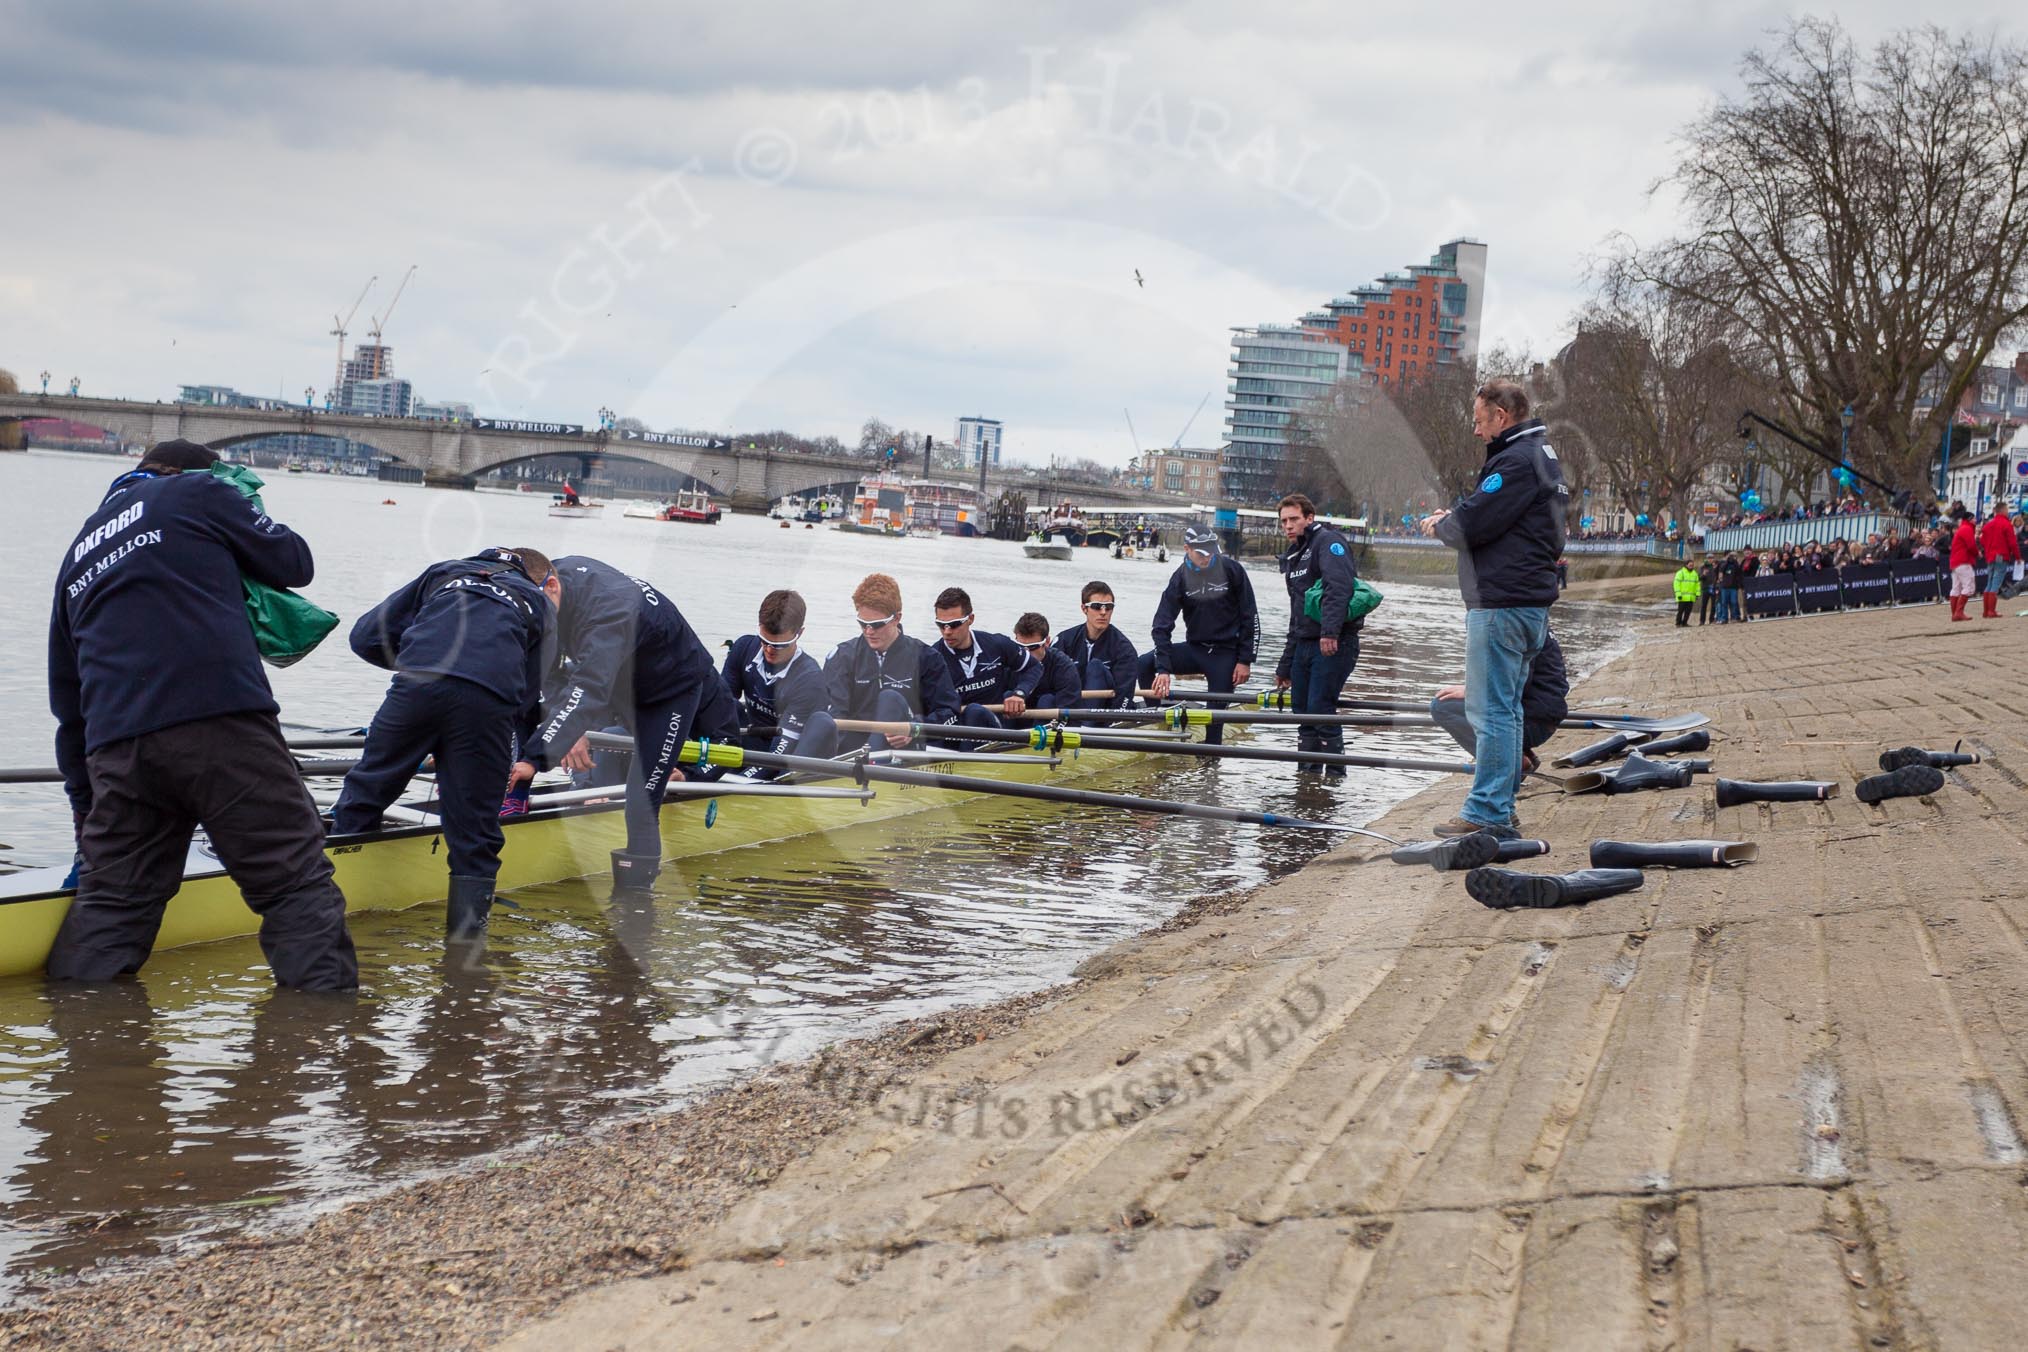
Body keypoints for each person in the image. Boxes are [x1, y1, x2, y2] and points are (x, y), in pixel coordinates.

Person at [46, 438, 357, 989]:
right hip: (219, 721)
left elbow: (67, 702)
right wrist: (244, 505)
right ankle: (318, 1044)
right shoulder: (197, 491)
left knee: (112, 906)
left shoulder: (77, 553)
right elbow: (294, 562)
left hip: (117, 750)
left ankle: (83, 1049)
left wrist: (86, 806)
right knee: (292, 883)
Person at [332, 548, 550, 936]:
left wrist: (424, 668)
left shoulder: (445, 572)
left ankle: (329, 900)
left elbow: (365, 637)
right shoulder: (538, 602)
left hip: (417, 685)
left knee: (367, 788)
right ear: (537, 579)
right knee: (476, 832)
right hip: (487, 704)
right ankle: (466, 954)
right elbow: (528, 696)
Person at [509, 553, 740, 894]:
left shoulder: (606, 611)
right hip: (621, 674)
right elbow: (551, 674)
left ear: (553, 586)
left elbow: (588, 688)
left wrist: (546, 748)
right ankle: (552, 797)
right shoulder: (546, 576)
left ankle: (636, 905)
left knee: (642, 798)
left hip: (671, 688)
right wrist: (564, 730)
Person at [1419, 379, 1568, 839]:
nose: (1476, 430)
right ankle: (1500, 808)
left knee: (1491, 713)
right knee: (1507, 711)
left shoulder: (1515, 461)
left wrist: (1445, 524)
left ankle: (1487, 812)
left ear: (1501, 416)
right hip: (1527, 603)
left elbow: (1474, 523)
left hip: (1502, 603)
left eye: (1480, 420)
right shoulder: (1542, 457)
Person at [800, 573, 960, 758]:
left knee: (889, 698)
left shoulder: (927, 658)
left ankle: (866, 767)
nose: (869, 632)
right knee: (820, 719)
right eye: (863, 623)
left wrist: (915, 728)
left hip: (903, 750)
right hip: (851, 751)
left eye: (876, 625)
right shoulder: (842, 656)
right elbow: (835, 714)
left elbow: (950, 714)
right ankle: (790, 777)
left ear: (897, 618)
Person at [1138, 525, 1260, 745]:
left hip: (1225, 653)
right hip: (1195, 649)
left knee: (1213, 728)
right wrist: (1163, 668)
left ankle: (1210, 762)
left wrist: (1245, 660)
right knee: (1144, 664)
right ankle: (1157, 719)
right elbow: (1161, 625)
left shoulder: (1233, 570)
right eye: (1201, 553)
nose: (1207, 557)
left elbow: (1250, 618)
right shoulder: (1180, 577)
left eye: (1211, 551)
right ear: (1187, 549)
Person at [1272, 494, 1361, 774]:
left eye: (1294, 519)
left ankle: (1335, 779)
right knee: (1303, 712)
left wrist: (1330, 632)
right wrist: (1285, 665)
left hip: (1334, 642)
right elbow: (1296, 615)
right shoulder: (1294, 556)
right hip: (1304, 643)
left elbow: (1339, 588)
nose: (1288, 526)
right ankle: (1308, 781)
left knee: (1320, 709)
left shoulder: (1329, 542)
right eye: (1284, 521)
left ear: (1310, 518)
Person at [1429, 631, 1569, 800]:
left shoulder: (1516, 631)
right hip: (1541, 717)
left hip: (1532, 723)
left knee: (1443, 707)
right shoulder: (1535, 625)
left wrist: (1472, 690)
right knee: (1450, 702)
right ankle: (1520, 754)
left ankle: (1513, 763)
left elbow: (1514, 682)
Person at [720, 588, 828, 772]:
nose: (769, 650)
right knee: (723, 704)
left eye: (780, 645)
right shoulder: (743, 648)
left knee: (821, 721)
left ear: (799, 633)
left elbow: (778, 756)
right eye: (764, 641)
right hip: (753, 737)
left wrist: (743, 780)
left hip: (788, 751)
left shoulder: (809, 678)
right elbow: (718, 709)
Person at [930, 587, 1042, 746]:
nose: (947, 632)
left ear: (971, 619)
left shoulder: (995, 644)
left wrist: (1019, 694)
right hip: (953, 728)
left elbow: (1033, 667)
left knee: (974, 711)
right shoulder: (933, 658)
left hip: (991, 725)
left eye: (954, 624)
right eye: (941, 625)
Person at [1053, 580, 1140, 710]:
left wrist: (1116, 717)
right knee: (1045, 699)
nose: (1103, 612)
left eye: (1108, 607)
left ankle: (1088, 724)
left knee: (1096, 667)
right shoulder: (1064, 640)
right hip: (1069, 708)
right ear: (1084, 609)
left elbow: (1125, 694)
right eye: (1097, 606)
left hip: (1104, 713)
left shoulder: (1124, 648)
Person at [1014, 611, 1083, 709]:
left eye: (1032, 647)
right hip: (1015, 718)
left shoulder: (1064, 667)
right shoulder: (1008, 661)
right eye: (1020, 646)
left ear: (1047, 642)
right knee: (1008, 695)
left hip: (1049, 718)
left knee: (1046, 700)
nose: (1026, 653)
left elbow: (1070, 712)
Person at [1980, 502, 2019, 617]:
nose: (2008, 512)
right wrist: (2018, 557)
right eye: (2007, 510)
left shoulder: (1988, 525)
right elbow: (2013, 543)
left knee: (1990, 582)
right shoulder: (2006, 524)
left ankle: (1986, 611)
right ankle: (1991, 611)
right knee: (1996, 583)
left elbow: (1982, 541)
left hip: (1990, 556)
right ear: (2002, 511)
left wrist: (1988, 549)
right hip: (2001, 555)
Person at [1948, 502, 1978, 621]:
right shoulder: (1967, 529)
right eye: (1974, 518)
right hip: (1963, 561)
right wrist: (1977, 553)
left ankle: (1955, 614)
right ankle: (1959, 612)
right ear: (1970, 519)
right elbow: (1971, 545)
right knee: (1969, 586)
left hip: (1955, 562)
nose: (1976, 520)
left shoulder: (1962, 529)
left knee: (1956, 588)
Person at [1716, 551, 1743, 624]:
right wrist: (1727, 561)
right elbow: (1721, 570)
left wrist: (1735, 562)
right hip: (1724, 587)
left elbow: (1739, 572)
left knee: (1733, 602)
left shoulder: (1736, 564)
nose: (1732, 557)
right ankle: (1724, 618)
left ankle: (1733, 617)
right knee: (1724, 603)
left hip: (1733, 587)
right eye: (1731, 556)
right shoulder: (1724, 564)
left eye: (1734, 556)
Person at [1672, 561, 1699, 627]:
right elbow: (1676, 584)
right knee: (1680, 611)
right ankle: (1678, 623)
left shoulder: (1695, 574)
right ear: (1686, 565)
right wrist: (1678, 594)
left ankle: (1684, 623)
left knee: (1688, 611)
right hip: (1682, 596)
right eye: (1690, 565)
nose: (1691, 566)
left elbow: (1697, 585)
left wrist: (1697, 594)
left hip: (1691, 597)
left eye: (1692, 565)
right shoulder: (1680, 573)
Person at [1695, 557, 1717, 625]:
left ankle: (1711, 619)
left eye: (1711, 558)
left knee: (1714, 605)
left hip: (1713, 588)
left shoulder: (1715, 566)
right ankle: (1702, 621)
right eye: (1709, 558)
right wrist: (1703, 574)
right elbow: (1699, 578)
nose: (1710, 559)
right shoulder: (1702, 567)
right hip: (1705, 588)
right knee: (1704, 605)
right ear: (1706, 559)